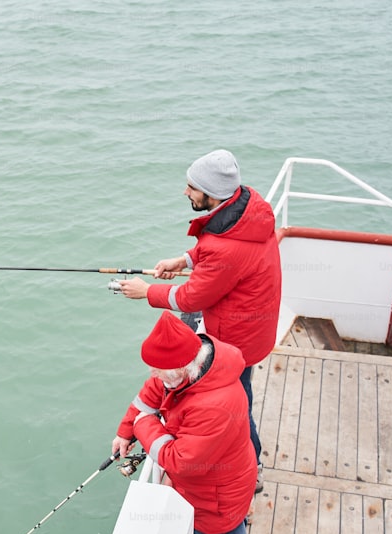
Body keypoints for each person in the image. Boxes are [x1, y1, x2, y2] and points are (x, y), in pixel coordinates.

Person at [117, 149, 281, 493]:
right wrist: (185, 259)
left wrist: (147, 292)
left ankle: (254, 467)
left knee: (240, 403)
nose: (185, 192)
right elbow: (220, 250)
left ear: (211, 194)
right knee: (239, 399)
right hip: (254, 328)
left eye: (192, 187)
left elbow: (192, 298)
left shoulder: (226, 248)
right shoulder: (247, 206)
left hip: (237, 339)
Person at [112, 311, 256, 534]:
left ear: (182, 369)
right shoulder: (187, 369)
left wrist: (145, 426)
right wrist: (126, 428)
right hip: (210, 488)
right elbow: (150, 392)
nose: (153, 375)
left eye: (159, 370)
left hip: (219, 498)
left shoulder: (215, 405)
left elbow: (179, 461)